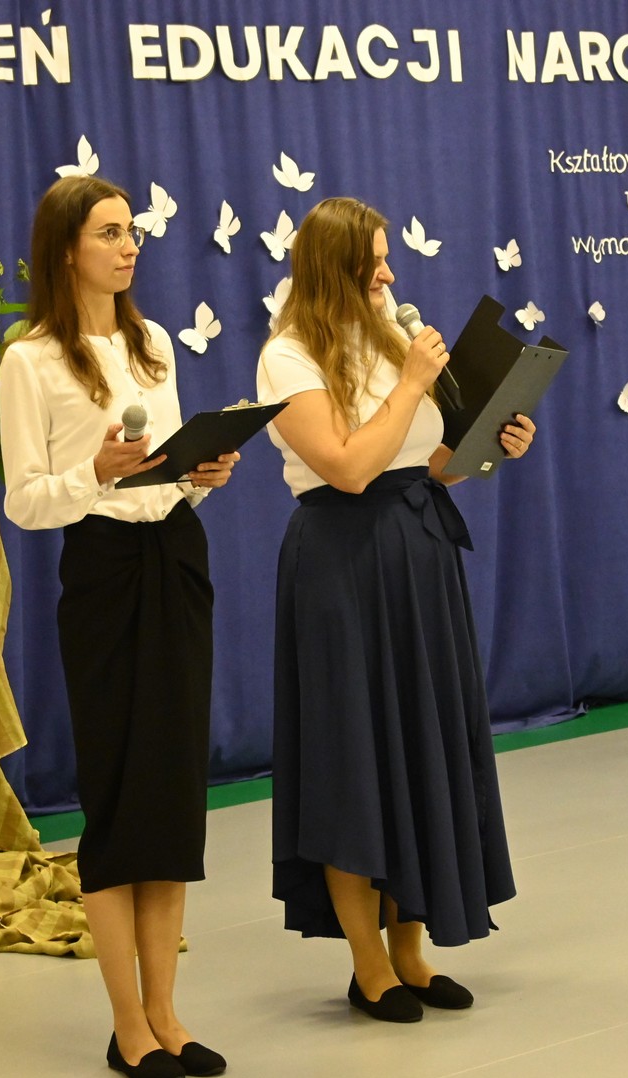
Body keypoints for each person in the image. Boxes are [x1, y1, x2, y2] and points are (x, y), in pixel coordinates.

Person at [256, 196, 535, 1024]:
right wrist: (413, 381)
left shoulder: (385, 335)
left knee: (417, 747)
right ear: (331, 268)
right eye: (371, 261)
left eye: (385, 257)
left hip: (417, 552)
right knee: (354, 758)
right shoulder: (287, 356)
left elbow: (425, 461)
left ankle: (411, 951)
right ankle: (368, 964)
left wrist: (489, 447)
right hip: (342, 563)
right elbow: (348, 467)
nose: (386, 273)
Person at [0, 175, 238, 1078]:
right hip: (101, 571)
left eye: (131, 230)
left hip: (175, 555)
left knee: (172, 793)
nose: (129, 244)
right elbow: (25, 501)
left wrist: (199, 476)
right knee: (118, 794)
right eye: (108, 232)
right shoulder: (30, 359)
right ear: (67, 250)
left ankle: (167, 1015)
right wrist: (95, 473)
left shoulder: (154, 342)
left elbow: (165, 472)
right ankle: (126, 1024)